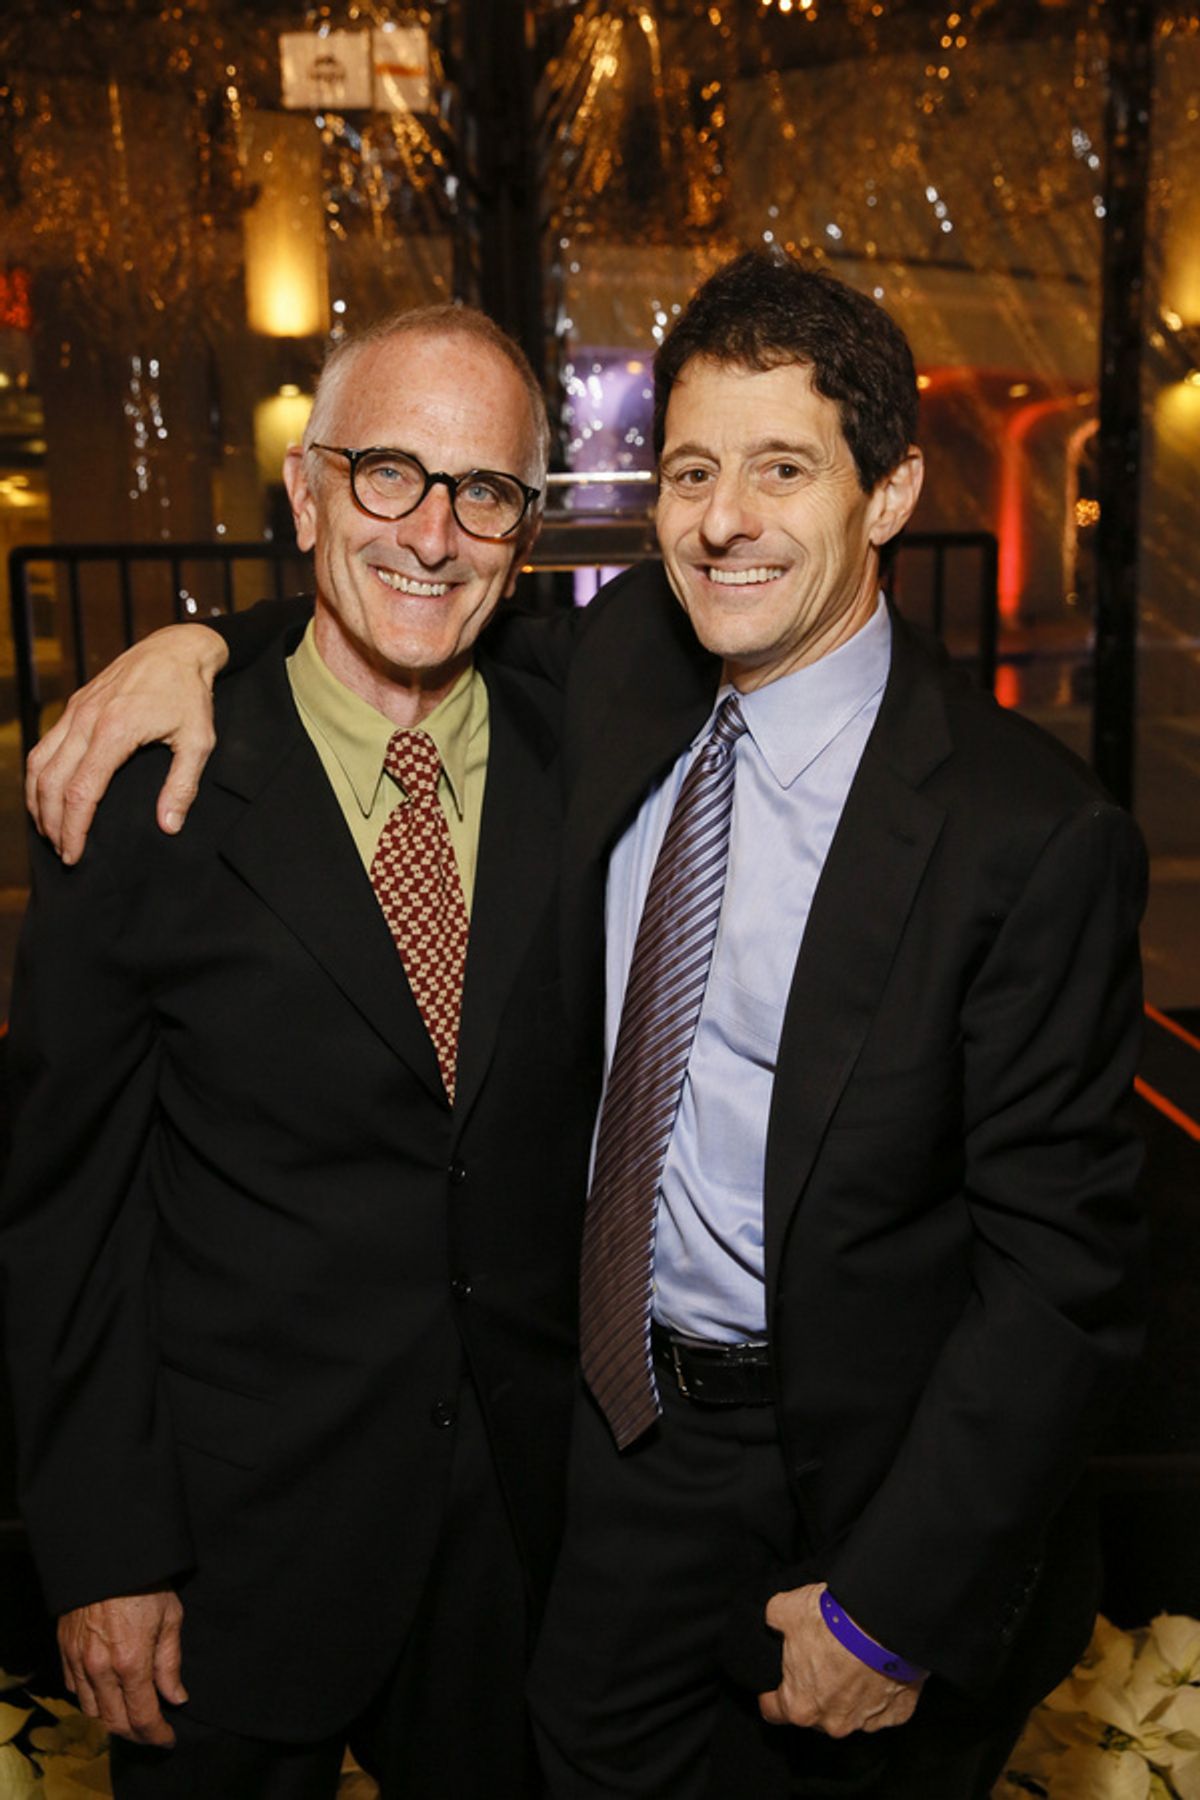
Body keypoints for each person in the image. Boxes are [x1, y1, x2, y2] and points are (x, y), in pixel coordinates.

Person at [21, 253, 1147, 1800]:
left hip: (811, 1501)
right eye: (691, 470)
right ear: (307, 490)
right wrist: (201, 637)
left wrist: (896, 1609)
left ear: (884, 496)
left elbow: (1064, 1276)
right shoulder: (596, 689)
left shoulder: (1013, 829)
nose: (724, 518)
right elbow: (62, 1215)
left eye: (781, 468)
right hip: (488, 1498)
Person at [0, 305, 597, 1799]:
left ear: (524, 531)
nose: (434, 531)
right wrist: (105, 1548)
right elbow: (67, 1211)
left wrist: (213, 623)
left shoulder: (584, 747)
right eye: (388, 472)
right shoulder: (148, 793)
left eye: (484, 492)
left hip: (517, 1550)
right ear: (306, 490)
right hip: (227, 1553)